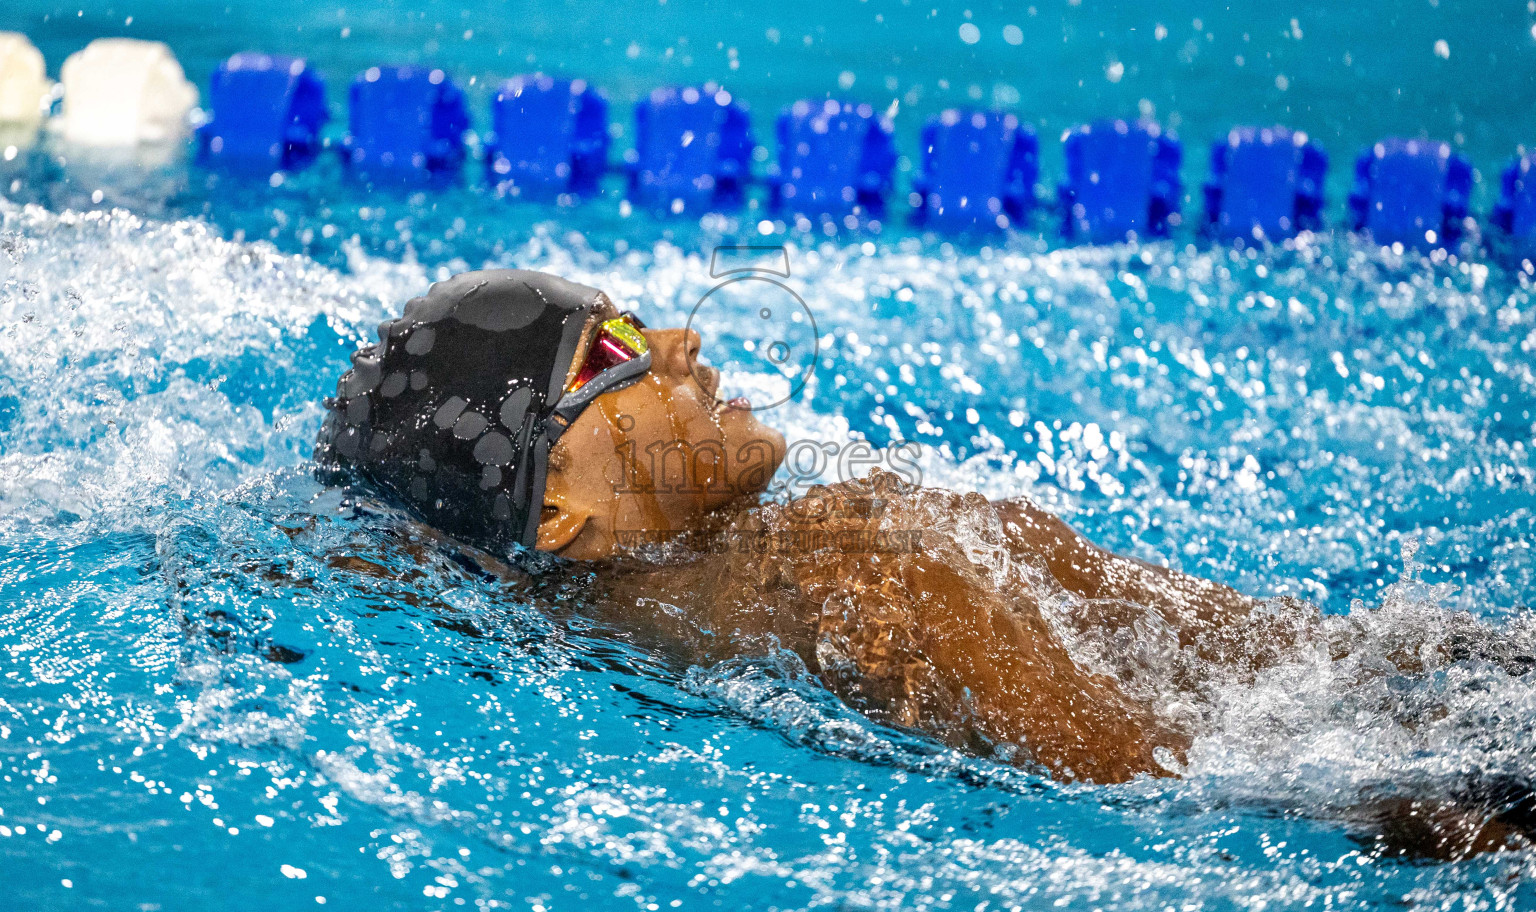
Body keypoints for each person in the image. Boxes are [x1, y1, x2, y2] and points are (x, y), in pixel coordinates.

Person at [314, 269, 1531, 855]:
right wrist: (1447, 823)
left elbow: (1323, 665)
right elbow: (1173, 789)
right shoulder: (873, 584)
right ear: (561, 513)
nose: (676, 339)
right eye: (610, 358)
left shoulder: (843, 545)